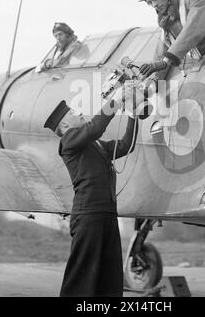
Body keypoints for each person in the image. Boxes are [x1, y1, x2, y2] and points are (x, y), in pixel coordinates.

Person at [43, 88, 138, 297]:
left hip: (107, 214)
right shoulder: (67, 141)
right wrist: (117, 99)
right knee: (81, 279)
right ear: (66, 125)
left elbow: (126, 145)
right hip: (88, 216)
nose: (79, 113)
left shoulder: (95, 145)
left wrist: (132, 114)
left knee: (110, 279)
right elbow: (95, 128)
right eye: (73, 114)